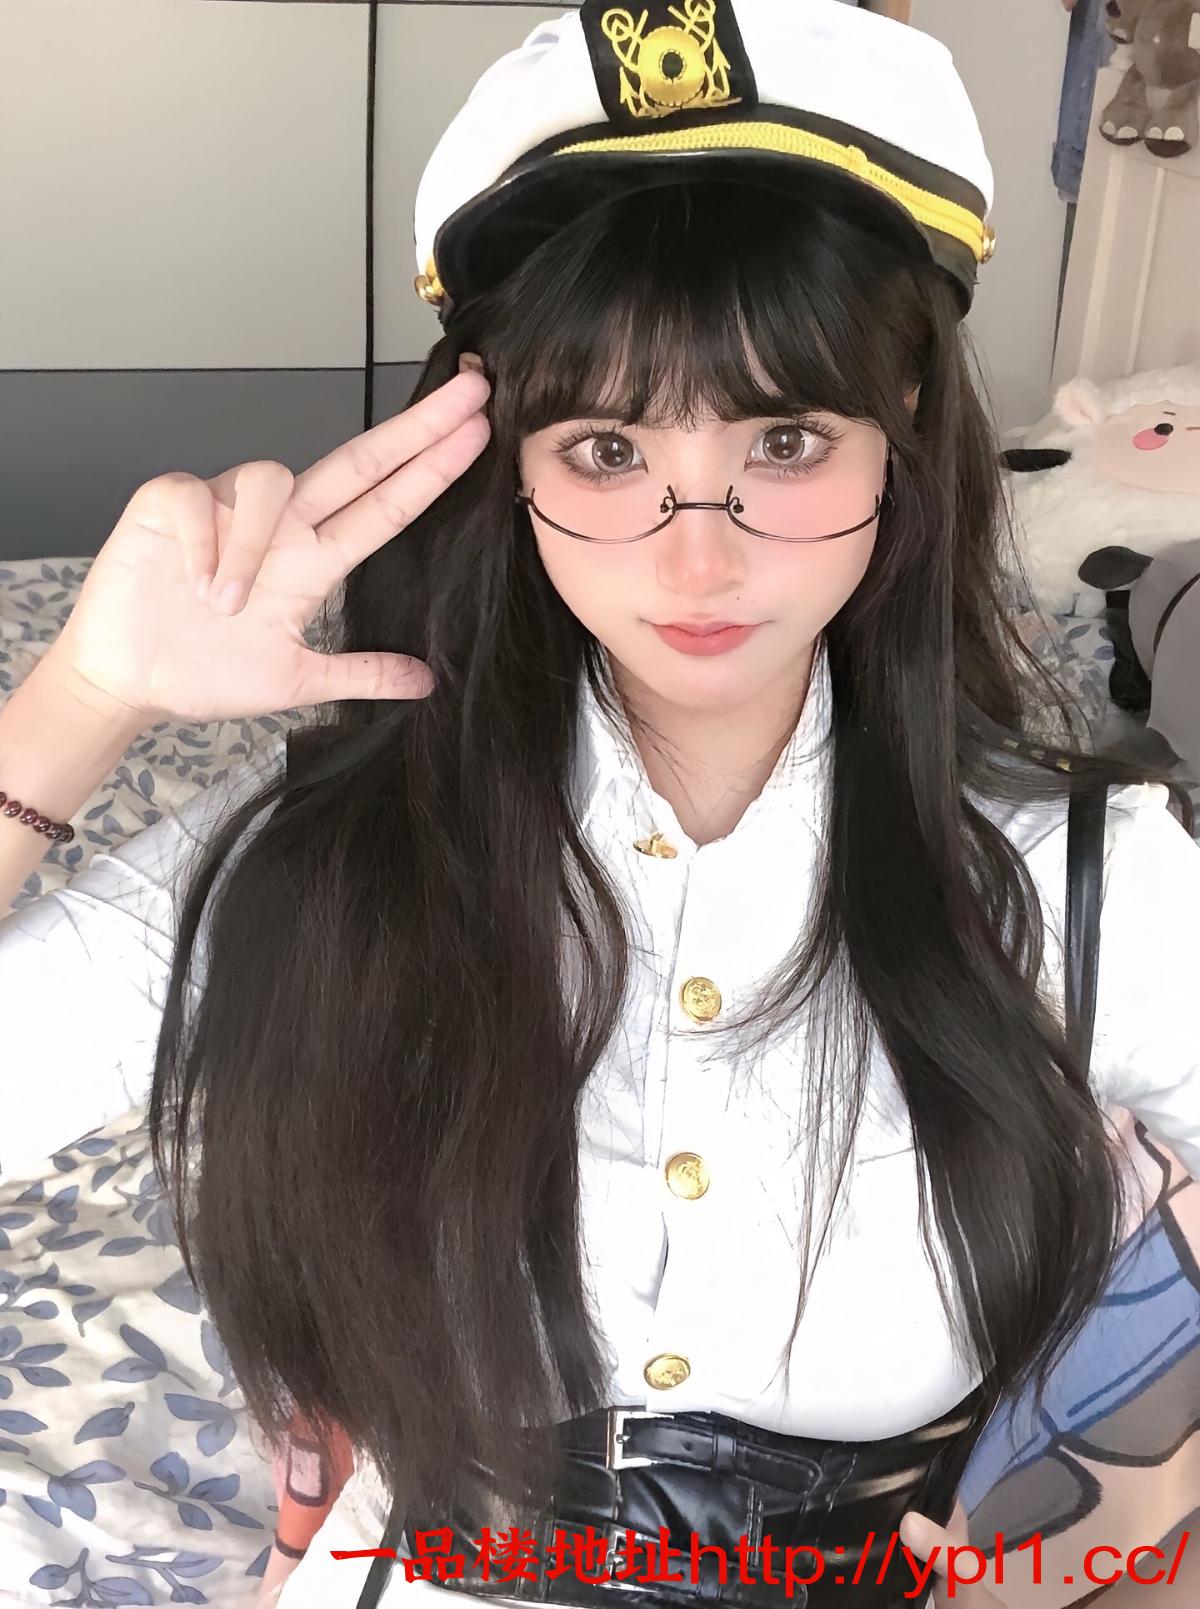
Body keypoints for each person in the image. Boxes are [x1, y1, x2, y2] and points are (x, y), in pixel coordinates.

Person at [0, 2, 1196, 1606]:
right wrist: (85, 698)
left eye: (785, 438)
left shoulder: (1086, 882)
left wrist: (1128, 1552)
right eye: (609, 447)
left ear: (903, 434)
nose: (698, 556)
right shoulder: (330, 855)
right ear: (506, 461)